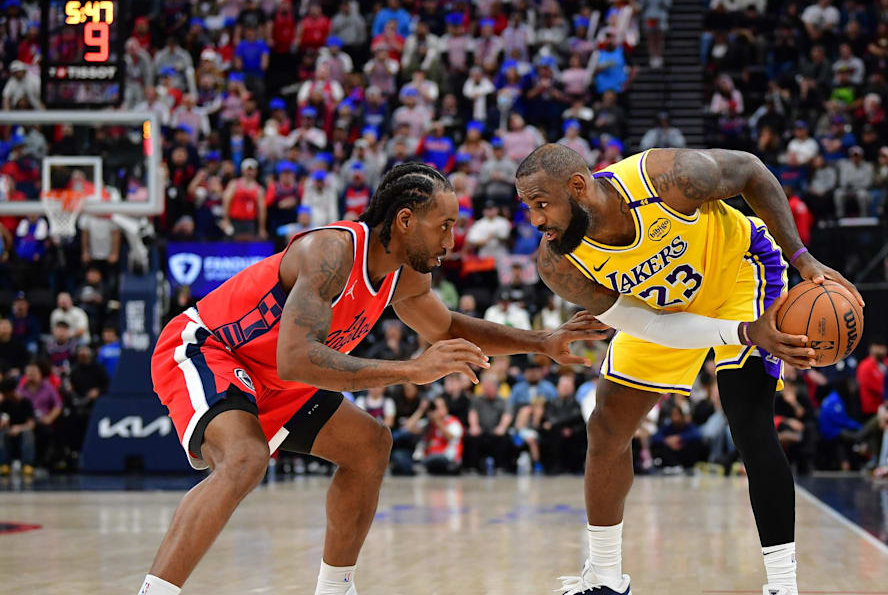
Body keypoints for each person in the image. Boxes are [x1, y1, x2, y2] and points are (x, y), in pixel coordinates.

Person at [141, 163, 607, 595]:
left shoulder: (404, 277)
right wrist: (411, 370)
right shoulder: (331, 251)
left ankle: (335, 589)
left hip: (274, 377)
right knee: (245, 459)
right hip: (210, 348)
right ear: (405, 221)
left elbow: (447, 327)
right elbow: (297, 359)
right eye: (444, 226)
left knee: (369, 445)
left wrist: (542, 342)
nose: (452, 241)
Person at [515, 144, 862, 595]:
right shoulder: (558, 263)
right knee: (606, 429)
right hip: (663, 312)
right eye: (529, 208)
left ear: (578, 187)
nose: (536, 221)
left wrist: (802, 258)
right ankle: (605, 578)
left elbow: (753, 172)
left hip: (739, 273)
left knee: (749, 422)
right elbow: (652, 325)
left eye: (541, 205)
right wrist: (740, 333)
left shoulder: (669, 178)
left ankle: (783, 585)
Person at [0, 377, 36, 476]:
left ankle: (27, 465)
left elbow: (31, 424)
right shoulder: (5, 404)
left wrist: (19, 428)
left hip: (23, 430)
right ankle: (4, 464)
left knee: (28, 433)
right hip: (9, 431)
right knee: (2, 434)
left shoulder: (25, 402)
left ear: (11, 392)